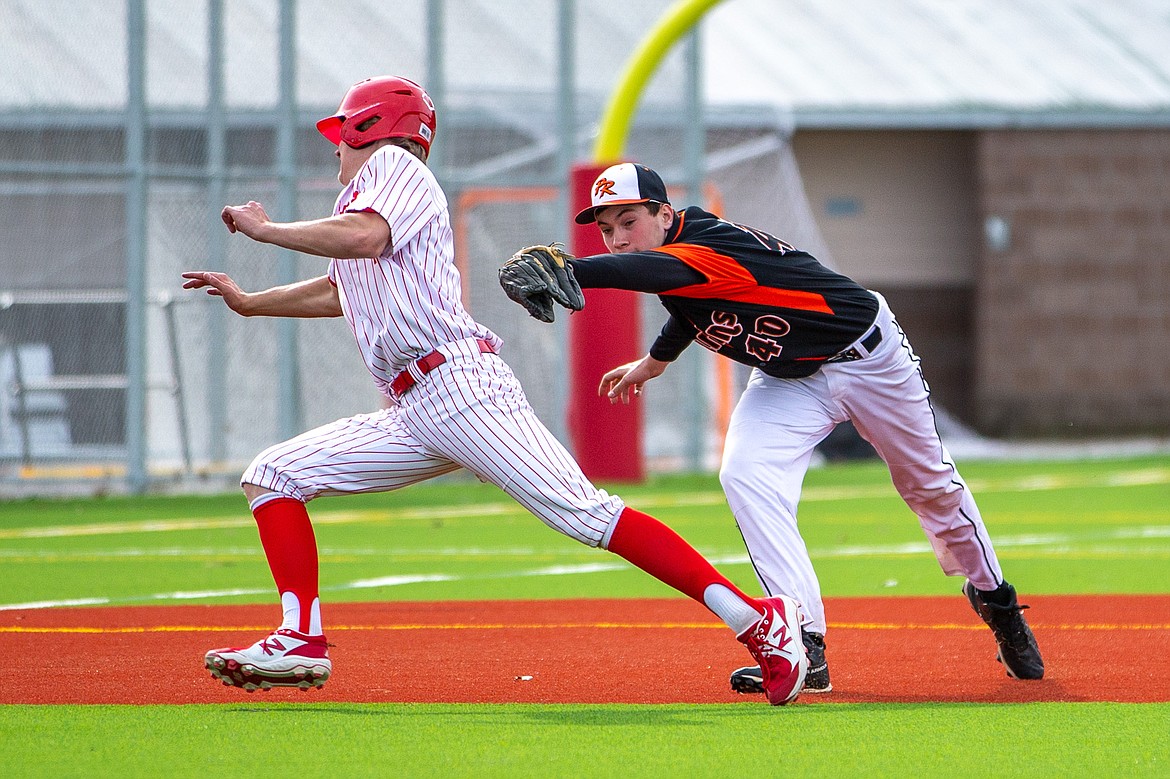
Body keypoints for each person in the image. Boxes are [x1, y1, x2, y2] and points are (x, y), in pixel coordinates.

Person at [180, 77, 808, 705]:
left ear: (367, 128)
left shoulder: (394, 168)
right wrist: (251, 303)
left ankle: (758, 620)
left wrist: (268, 232)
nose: (334, 148)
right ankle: (299, 640)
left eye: (340, 133)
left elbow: (364, 238)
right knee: (274, 474)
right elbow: (341, 288)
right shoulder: (369, 197)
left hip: (459, 388)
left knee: (586, 515)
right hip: (410, 406)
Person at [508, 161, 1045, 695]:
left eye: (628, 221)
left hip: (868, 360)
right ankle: (803, 643)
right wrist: (656, 360)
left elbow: (670, 275)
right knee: (746, 473)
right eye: (605, 230)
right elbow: (691, 304)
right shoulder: (676, 256)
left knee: (927, 484)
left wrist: (577, 269)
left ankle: (996, 599)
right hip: (789, 377)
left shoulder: (707, 246)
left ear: (665, 213)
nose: (617, 240)